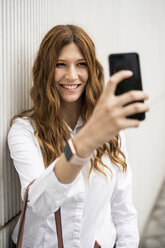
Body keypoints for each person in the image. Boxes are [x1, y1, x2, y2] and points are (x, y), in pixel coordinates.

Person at [8, 24, 149, 248]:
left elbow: (123, 212)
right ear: (46, 70)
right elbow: (39, 204)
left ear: (91, 69)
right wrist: (83, 144)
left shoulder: (111, 131)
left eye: (81, 64)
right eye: (60, 65)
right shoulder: (24, 131)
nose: (72, 75)